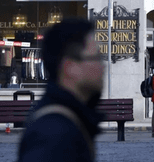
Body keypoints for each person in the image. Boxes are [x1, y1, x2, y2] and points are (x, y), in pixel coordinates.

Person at [17, 18, 105, 162]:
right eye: (96, 57)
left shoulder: (68, 119)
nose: (102, 66)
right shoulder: (54, 132)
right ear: (70, 67)